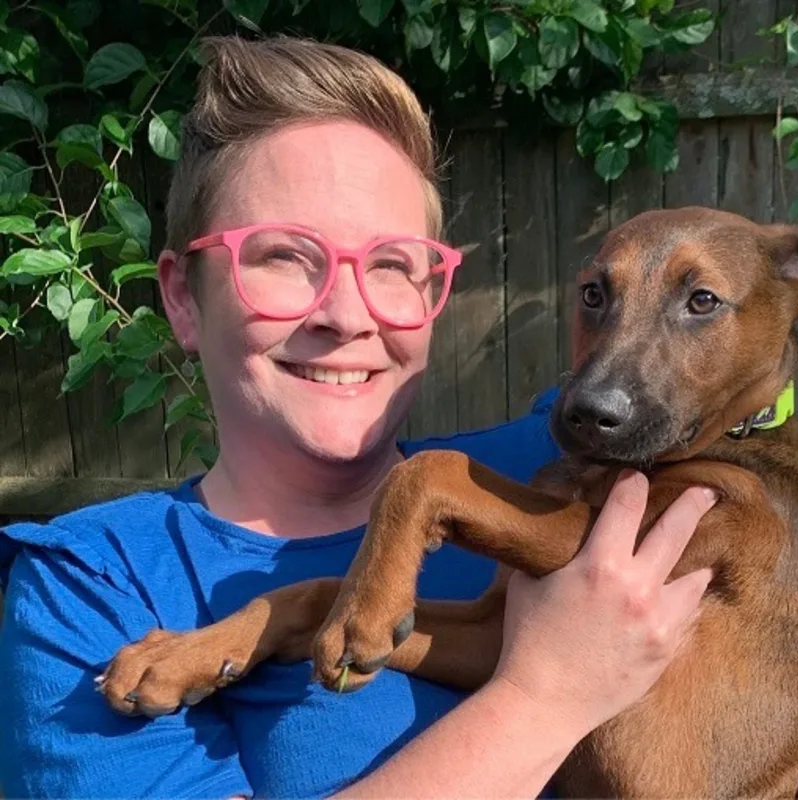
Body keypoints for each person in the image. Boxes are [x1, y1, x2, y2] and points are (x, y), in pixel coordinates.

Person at [0, 35, 715, 799]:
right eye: (282, 256)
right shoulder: (96, 587)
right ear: (181, 297)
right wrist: (545, 701)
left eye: (392, 265)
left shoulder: (573, 459)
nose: (346, 315)